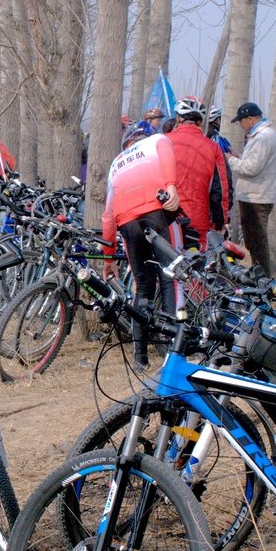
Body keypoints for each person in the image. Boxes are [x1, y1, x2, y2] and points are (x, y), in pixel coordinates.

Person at [102, 120, 182, 372]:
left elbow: (107, 216)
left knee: (143, 287)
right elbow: (167, 149)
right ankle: (173, 353)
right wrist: (171, 185)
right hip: (155, 210)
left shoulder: (116, 163)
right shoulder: (155, 141)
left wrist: (108, 259)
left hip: (126, 221)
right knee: (170, 278)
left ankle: (140, 358)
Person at [226, 101, 276, 275]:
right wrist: (239, 157)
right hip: (256, 195)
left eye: (241, 121)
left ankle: (263, 278)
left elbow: (250, 169)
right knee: (253, 240)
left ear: (249, 119)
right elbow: (254, 163)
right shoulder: (262, 136)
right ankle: (259, 274)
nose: (241, 126)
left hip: (257, 197)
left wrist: (230, 158)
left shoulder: (263, 137)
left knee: (256, 241)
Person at [167, 97, 230, 250]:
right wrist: (220, 223)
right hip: (197, 219)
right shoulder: (213, 148)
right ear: (201, 122)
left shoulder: (162, 142)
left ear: (178, 118)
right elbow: (220, 191)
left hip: (165, 218)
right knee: (195, 268)